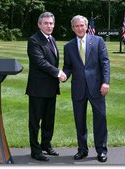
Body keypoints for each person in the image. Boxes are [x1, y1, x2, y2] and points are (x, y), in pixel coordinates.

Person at [62, 15, 110, 162]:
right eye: (76, 26)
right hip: (78, 88)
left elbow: (105, 63)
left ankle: (101, 150)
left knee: (100, 119)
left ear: (87, 26)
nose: (79, 28)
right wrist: (64, 75)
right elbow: (68, 66)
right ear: (72, 28)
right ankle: (82, 150)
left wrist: (105, 82)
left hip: (97, 87)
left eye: (82, 25)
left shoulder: (98, 41)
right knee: (79, 120)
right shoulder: (68, 46)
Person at [26, 11, 66, 161]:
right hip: (37, 88)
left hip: (51, 88)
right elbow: (40, 62)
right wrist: (58, 73)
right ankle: (35, 150)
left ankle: (46, 145)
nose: (49, 26)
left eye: (51, 23)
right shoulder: (34, 40)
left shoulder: (52, 39)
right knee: (35, 121)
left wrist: (58, 74)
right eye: (46, 23)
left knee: (49, 119)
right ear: (39, 24)